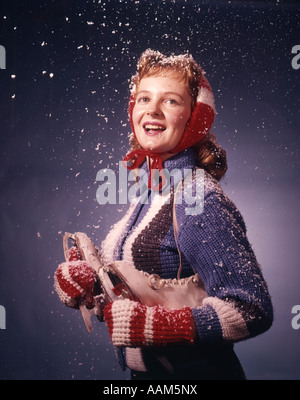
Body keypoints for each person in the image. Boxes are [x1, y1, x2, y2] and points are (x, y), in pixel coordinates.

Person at [54, 49, 273, 380]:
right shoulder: (152, 191)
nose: (151, 110)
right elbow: (146, 296)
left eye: (170, 101)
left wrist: (153, 326)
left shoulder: (198, 197)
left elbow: (252, 309)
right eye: (143, 98)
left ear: (195, 116)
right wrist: (94, 290)